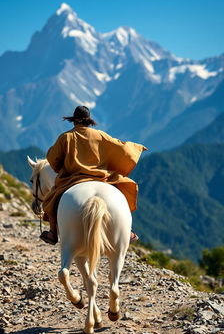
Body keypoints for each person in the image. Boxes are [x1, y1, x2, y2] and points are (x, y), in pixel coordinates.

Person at [40, 105, 148, 245]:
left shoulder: (65, 137)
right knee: (124, 188)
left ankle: (53, 233)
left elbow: (53, 159)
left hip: (72, 180)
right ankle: (127, 230)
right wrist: (137, 148)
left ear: (73, 121)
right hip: (101, 178)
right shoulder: (100, 135)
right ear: (89, 121)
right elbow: (121, 148)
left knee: (52, 200)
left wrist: (61, 166)